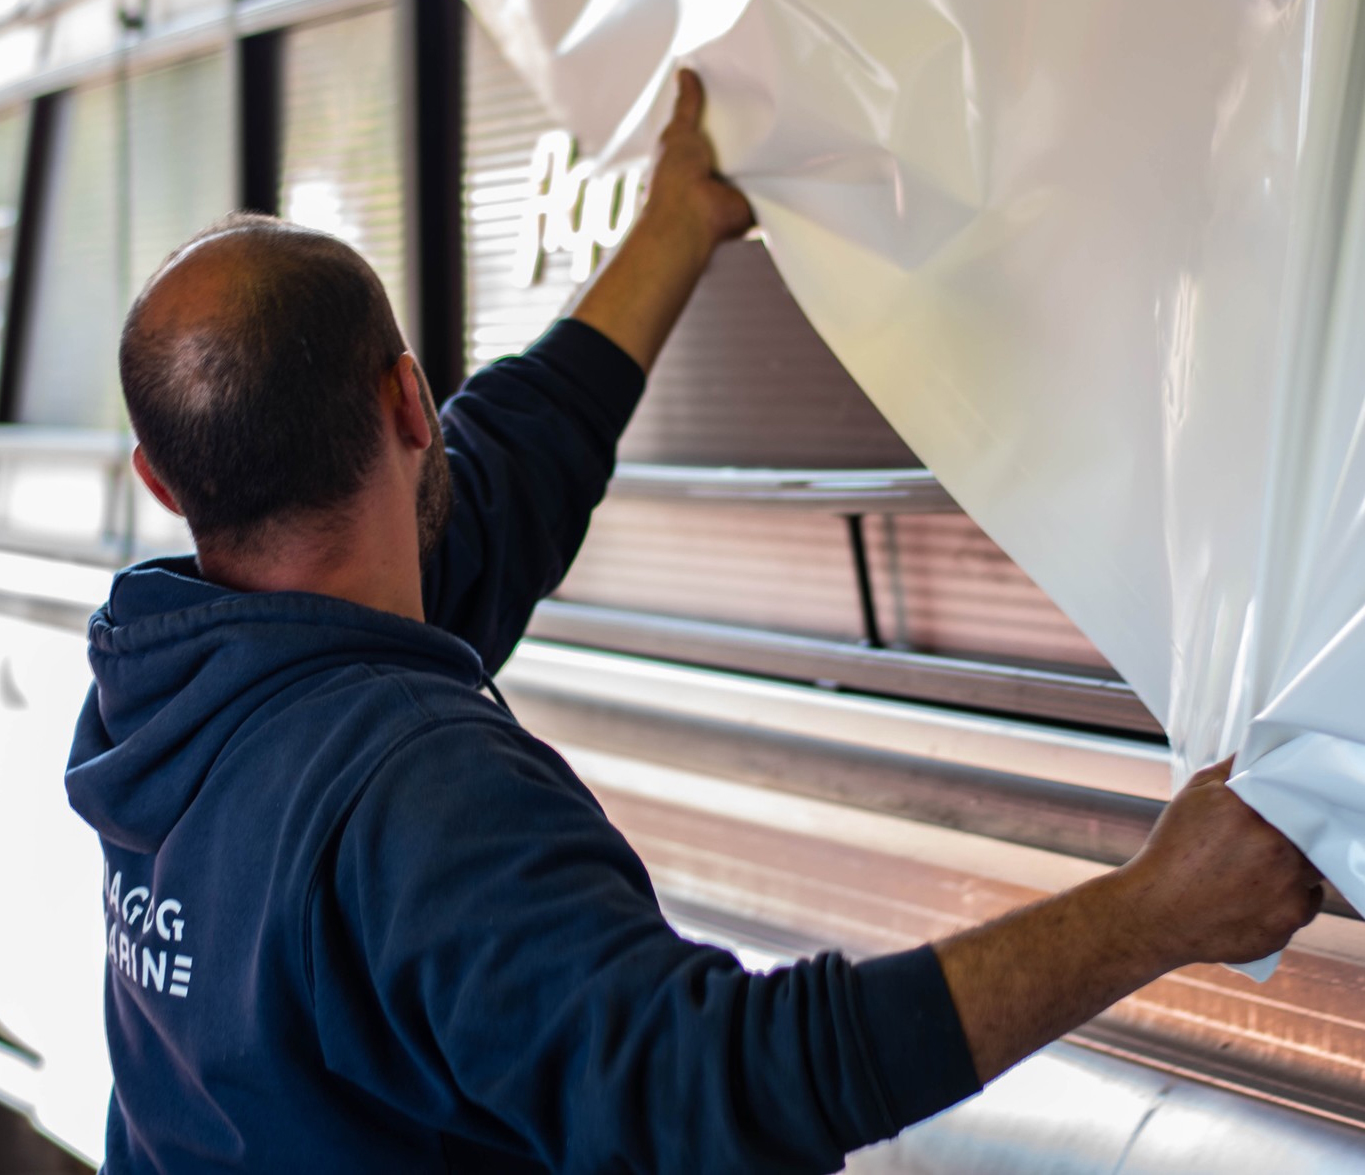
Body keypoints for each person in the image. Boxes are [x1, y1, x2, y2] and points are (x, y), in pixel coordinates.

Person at [67, 71, 1322, 1175]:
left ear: (166, 483)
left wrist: (676, 226)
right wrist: (1158, 909)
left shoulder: (174, 685)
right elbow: (714, 1090)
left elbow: (510, 467)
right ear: (409, 401)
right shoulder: (417, 796)